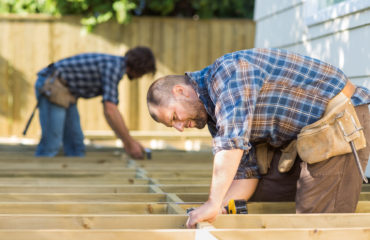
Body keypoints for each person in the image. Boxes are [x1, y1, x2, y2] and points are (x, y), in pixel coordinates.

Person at [146, 48, 370, 228]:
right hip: (307, 141)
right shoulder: (216, 117)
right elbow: (246, 174)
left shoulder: (228, 73)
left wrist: (213, 202)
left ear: (180, 91)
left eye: (174, 116)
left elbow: (231, 143)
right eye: (172, 124)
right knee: (265, 196)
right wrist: (220, 208)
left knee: (316, 222)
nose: (179, 128)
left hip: (340, 124)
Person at [34, 46, 156, 158]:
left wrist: (129, 142)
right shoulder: (113, 67)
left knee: (76, 146)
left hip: (67, 91)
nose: (141, 77)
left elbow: (110, 113)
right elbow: (110, 110)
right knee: (51, 143)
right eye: (143, 73)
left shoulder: (115, 66)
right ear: (139, 68)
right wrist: (129, 143)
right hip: (52, 85)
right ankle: (38, 175)